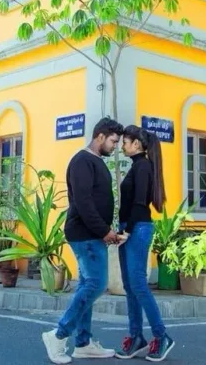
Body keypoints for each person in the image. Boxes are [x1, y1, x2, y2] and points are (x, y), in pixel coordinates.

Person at [42, 117, 124, 364]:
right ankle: (58, 335)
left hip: (93, 233)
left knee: (88, 284)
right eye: (113, 141)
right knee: (97, 284)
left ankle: (84, 342)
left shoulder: (95, 161)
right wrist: (104, 231)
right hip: (85, 233)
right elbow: (84, 202)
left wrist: (107, 230)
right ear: (100, 136)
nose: (115, 146)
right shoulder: (81, 161)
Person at [115, 125, 174, 362]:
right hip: (129, 229)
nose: (122, 146)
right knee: (130, 286)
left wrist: (127, 231)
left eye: (125, 142)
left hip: (137, 229)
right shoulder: (137, 167)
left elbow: (140, 204)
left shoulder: (143, 167)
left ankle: (161, 336)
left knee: (138, 284)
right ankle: (136, 337)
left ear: (136, 144)